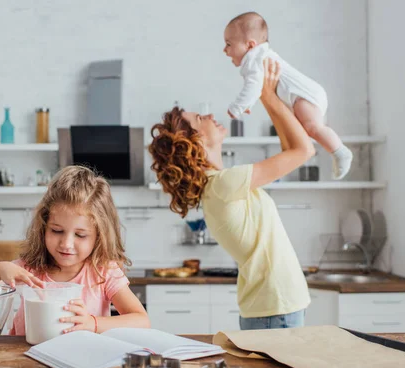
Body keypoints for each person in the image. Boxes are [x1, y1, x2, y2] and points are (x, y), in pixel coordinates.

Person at [148, 59, 311, 330]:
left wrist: (267, 96)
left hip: (273, 306)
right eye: (201, 119)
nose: (211, 116)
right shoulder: (225, 184)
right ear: (196, 142)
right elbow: (304, 151)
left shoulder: (220, 186)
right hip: (276, 306)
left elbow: (290, 147)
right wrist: (267, 96)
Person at [0, 165, 150, 335]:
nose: (66, 243)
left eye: (80, 235)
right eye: (57, 231)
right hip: (26, 362)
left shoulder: (103, 271)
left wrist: (93, 323)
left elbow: (142, 321)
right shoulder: (29, 270)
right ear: (43, 226)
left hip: (82, 363)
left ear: (99, 236)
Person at [224, 11, 352, 180]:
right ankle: (337, 151)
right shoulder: (258, 56)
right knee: (304, 131)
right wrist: (249, 104)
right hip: (302, 95)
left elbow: (254, 86)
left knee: (312, 128)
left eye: (229, 44)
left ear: (250, 45)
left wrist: (237, 107)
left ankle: (341, 152)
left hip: (304, 95)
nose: (225, 50)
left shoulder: (255, 59)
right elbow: (259, 87)